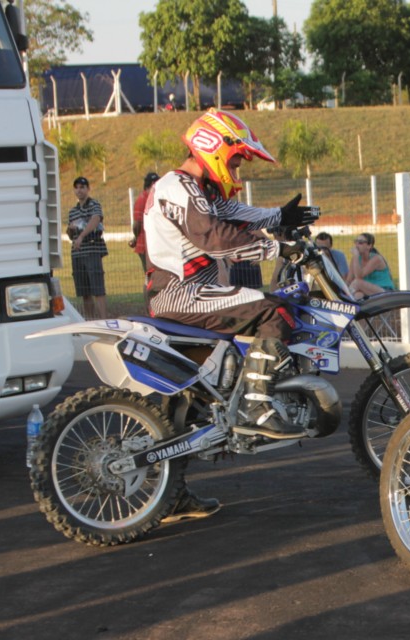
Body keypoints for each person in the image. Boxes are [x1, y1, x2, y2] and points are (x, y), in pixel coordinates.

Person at [144, 109, 318, 521]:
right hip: (180, 294)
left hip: (190, 293)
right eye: (237, 158)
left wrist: (281, 217)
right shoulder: (177, 187)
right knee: (273, 310)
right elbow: (216, 239)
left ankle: (168, 495)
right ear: (215, 147)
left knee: (187, 399)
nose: (238, 167)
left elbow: (235, 214)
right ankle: (257, 405)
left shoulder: (194, 188)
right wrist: (277, 248)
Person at [67, 176, 108, 320]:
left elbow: (95, 220)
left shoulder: (94, 205)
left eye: (82, 187)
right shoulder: (73, 211)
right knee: (84, 291)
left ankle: (103, 319)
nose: (79, 190)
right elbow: (70, 234)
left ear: (88, 189)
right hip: (78, 253)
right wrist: (71, 229)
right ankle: (90, 320)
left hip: (92, 250)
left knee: (98, 288)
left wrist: (82, 235)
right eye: (76, 187)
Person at [347, 232, 394, 298]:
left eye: (360, 242)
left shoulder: (376, 259)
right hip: (368, 290)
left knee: (357, 283)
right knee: (358, 295)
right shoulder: (355, 259)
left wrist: (356, 256)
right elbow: (349, 280)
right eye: (356, 242)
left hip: (384, 290)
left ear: (369, 246)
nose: (356, 245)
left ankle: (343, 300)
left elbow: (359, 276)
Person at [130, 172, 160, 273]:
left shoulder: (152, 197)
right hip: (145, 246)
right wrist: (136, 238)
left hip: (153, 245)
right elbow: (137, 224)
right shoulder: (142, 200)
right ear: (152, 184)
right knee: (150, 277)